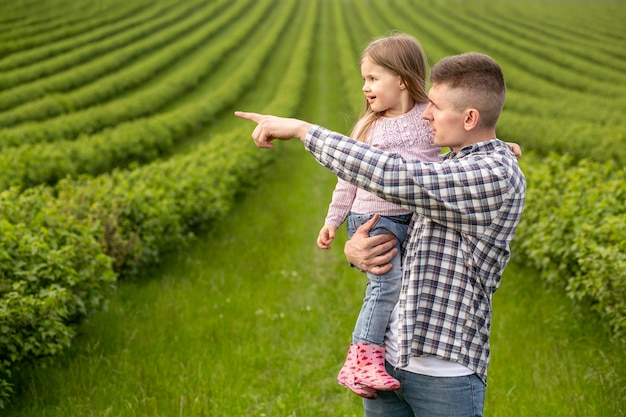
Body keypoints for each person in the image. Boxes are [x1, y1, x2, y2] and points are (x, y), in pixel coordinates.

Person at [235, 51, 526, 417]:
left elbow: (396, 176)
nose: (425, 113)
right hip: (388, 364)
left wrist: (302, 130)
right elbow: (401, 230)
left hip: (444, 375)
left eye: (435, 105)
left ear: (469, 117)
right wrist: (355, 251)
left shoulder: (494, 175)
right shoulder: (452, 163)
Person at [316, 33, 442, 398]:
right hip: (373, 219)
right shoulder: (368, 128)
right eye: (364, 79)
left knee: (405, 288)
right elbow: (346, 180)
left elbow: (457, 154)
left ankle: (386, 361)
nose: (365, 87)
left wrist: (498, 146)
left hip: (410, 218)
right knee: (386, 285)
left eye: (373, 78)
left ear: (402, 78)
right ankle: (360, 359)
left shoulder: (428, 117)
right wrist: (332, 221)